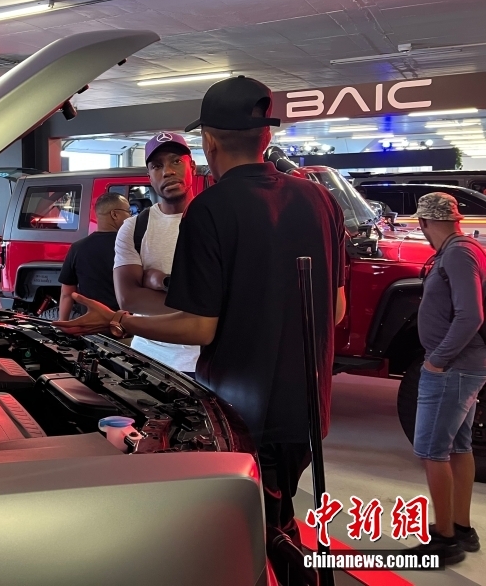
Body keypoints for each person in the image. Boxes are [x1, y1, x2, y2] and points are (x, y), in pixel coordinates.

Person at [56, 75, 346, 586]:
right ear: (266, 137)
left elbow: (199, 327)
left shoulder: (210, 210)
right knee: (280, 520)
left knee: (243, 537)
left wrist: (118, 321)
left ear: (208, 143)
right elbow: (337, 309)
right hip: (307, 409)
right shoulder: (321, 200)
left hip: (242, 411)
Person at [407, 192, 486, 564]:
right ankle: (461, 527)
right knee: (458, 446)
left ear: (424, 223)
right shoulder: (463, 249)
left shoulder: (457, 253)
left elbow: (471, 315)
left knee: (431, 451)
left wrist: (436, 361)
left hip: (453, 368)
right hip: (463, 366)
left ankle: (445, 539)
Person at [113, 132, 200, 375]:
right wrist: (200, 306)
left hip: (203, 363)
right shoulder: (134, 227)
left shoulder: (217, 221)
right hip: (147, 360)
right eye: (157, 166)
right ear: (149, 177)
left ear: (192, 167)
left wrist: (155, 283)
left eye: (176, 161)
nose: (168, 171)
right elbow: (128, 298)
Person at [58, 192, 130, 320]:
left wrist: (62, 324)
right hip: (125, 324)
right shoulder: (132, 246)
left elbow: (67, 294)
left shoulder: (77, 248)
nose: (131, 216)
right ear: (114, 214)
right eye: (128, 212)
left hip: (90, 325)